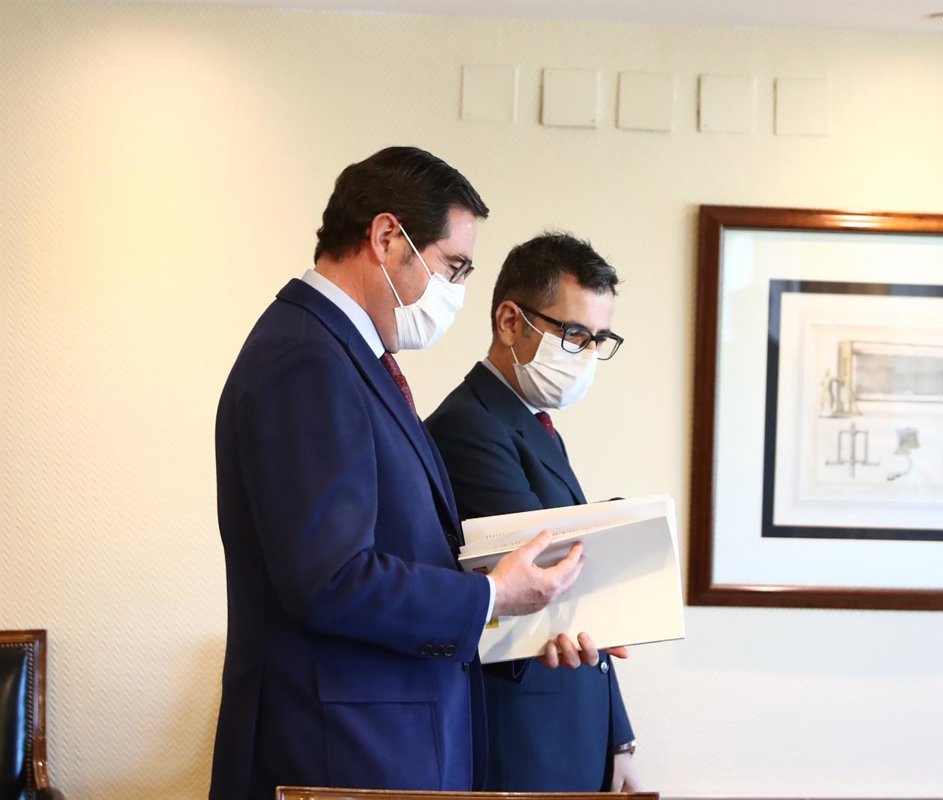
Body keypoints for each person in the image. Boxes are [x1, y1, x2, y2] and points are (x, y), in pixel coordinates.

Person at [209, 148, 590, 800]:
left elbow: (399, 552)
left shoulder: (346, 354)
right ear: (387, 238)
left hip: (380, 743)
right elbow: (330, 579)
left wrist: (521, 610)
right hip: (340, 752)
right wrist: (490, 597)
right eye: (453, 266)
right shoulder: (306, 359)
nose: (456, 292)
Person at [427, 233, 642, 793]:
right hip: (524, 736)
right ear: (510, 321)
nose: (587, 355)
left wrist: (618, 737)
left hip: (573, 728)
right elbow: (556, 582)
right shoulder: (469, 426)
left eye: (599, 340)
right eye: (574, 335)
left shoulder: (534, 424)